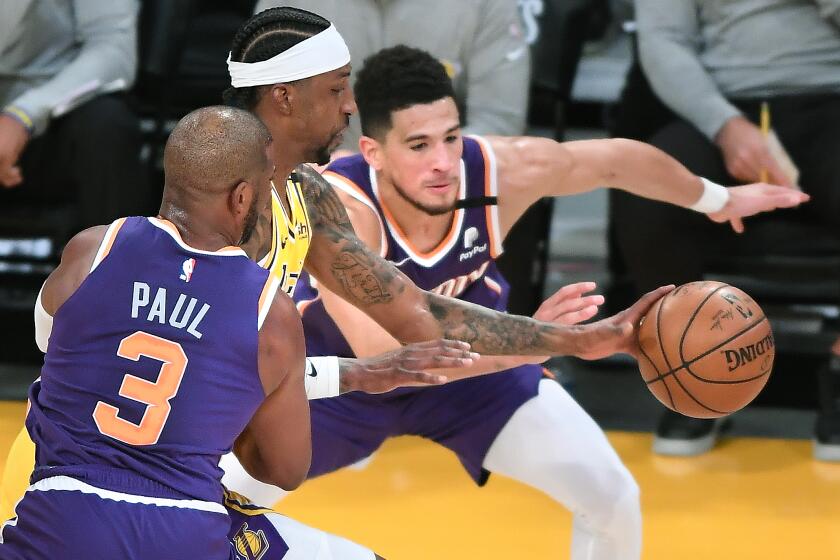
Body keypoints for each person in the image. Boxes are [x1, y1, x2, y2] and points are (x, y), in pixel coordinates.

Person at [0, 6, 673, 520]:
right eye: (337, 90)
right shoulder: (229, 209)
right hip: (108, 479)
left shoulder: (306, 196)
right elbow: (242, 375)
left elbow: (417, 313)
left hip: (165, 460)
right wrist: (356, 377)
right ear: (285, 98)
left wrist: (582, 338)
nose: (352, 108)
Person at [280, 45, 802, 560]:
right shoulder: (340, 208)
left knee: (612, 497)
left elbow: (617, 160)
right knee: (212, 495)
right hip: (344, 382)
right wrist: (532, 345)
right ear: (373, 152)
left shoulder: (501, 170)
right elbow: (385, 354)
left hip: (478, 376)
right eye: (418, 146)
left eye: (451, 138)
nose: (443, 163)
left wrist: (717, 199)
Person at [0, 106, 390, 559]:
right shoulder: (270, 311)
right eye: (268, 187)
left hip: (61, 518)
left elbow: (49, 342)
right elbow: (284, 470)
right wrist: (226, 406)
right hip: (183, 530)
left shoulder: (92, 250)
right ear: (242, 197)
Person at [611, 0, 840, 458]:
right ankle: (694, 372)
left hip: (830, 94)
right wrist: (725, 125)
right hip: (720, 104)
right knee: (647, 192)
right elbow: (663, 41)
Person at [254, 0, 531, 153]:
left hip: (444, 189)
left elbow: (499, 123)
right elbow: (262, 122)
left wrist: (417, 164)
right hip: (316, 193)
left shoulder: (486, 5)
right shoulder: (283, 5)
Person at [0, 0, 150, 231]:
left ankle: (114, 262)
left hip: (50, 116)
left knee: (106, 124)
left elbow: (113, 51)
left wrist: (24, 114)